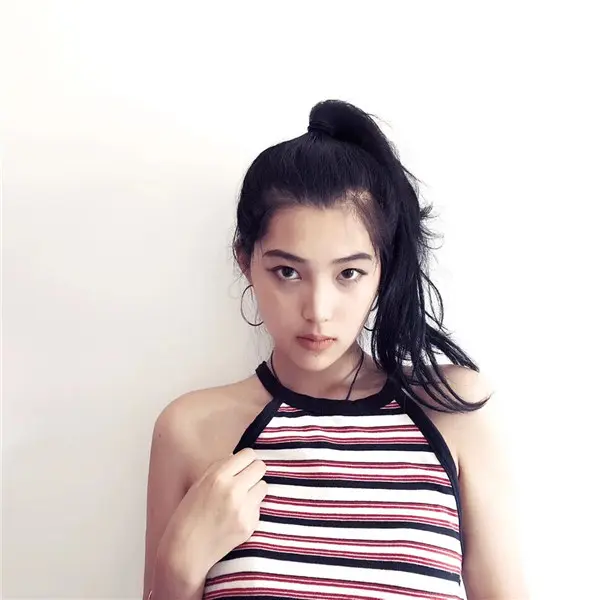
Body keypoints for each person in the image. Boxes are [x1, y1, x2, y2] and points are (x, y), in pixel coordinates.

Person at [142, 100, 528, 600]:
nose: (318, 310)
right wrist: (178, 567)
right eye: (288, 272)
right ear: (246, 262)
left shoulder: (451, 410)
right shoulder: (191, 429)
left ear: (382, 271)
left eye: (349, 273)